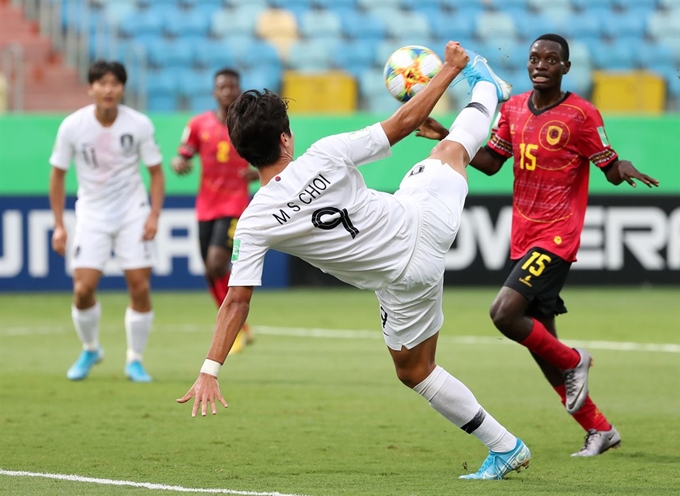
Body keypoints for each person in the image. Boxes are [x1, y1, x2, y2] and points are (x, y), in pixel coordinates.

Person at [178, 42, 533, 480]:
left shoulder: (255, 222)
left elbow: (236, 301)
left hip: (406, 278)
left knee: (415, 371)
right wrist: (451, 70)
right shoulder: (326, 152)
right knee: (451, 152)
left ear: (242, 153)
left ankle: (505, 446)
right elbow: (403, 122)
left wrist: (210, 369)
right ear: (286, 138)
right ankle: (485, 87)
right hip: (425, 219)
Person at [417, 34, 659, 457]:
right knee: (541, 344)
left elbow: (608, 165)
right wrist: (443, 133)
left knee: (503, 313)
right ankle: (599, 429)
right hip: (523, 238)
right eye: (534, 58)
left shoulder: (581, 115)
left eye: (551, 59)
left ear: (565, 67)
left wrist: (624, 166)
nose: (540, 64)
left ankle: (574, 360)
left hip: (558, 236)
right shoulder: (512, 109)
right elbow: (491, 163)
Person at [49, 60, 165, 382]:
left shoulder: (139, 124)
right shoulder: (72, 126)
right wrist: (59, 224)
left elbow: (156, 173)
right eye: (102, 83)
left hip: (132, 212)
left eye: (115, 83)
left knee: (139, 286)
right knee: (83, 289)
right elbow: (57, 176)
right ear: (91, 88)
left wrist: (153, 215)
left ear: (122, 88)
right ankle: (90, 348)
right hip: (92, 214)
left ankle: (135, 359)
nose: (108, 89)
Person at [171, 68, 257, 354]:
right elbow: (183, 153)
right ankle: (239, 325)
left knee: (217, 263)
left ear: (239, 90)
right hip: (206, 206)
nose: (227, 92)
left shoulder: (249, 125)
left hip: (235, 204)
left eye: (232, 87)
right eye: (222, 87)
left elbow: (271, 156)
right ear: (214, 92)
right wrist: (178, 164)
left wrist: (256, 173)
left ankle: (233, 325)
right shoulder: (199, 124)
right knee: (210, 270)